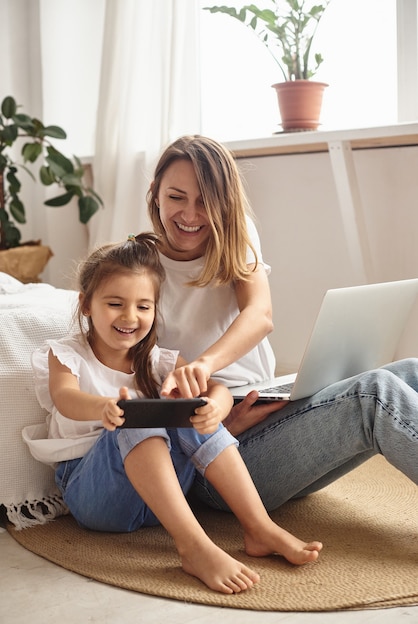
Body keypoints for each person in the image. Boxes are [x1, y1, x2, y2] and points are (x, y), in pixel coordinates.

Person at [24, 233, 322, 596]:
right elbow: (66, 397)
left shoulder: (159, 361)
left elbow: (216, 389)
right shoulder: (66, 353)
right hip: (95, 496)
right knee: (135, 417)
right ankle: (194, 548)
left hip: (162, 500)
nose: (130, 317)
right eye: (115, 303)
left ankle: (258, 526)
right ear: (86, 304)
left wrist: (217, 408)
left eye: (143, 306)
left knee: (192, 407)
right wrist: (104, 408)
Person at [145, 134, 418, 514]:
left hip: (267, 419)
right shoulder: (136, 269)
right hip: (217, 460)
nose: (191, 216)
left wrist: (205, 363)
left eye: (206, 202)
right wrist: (223, 423)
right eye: (176, 197)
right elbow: (137, 399)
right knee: (374, 395)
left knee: (411, 372)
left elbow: (259, 314)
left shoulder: (234, 233)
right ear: (155, 192)